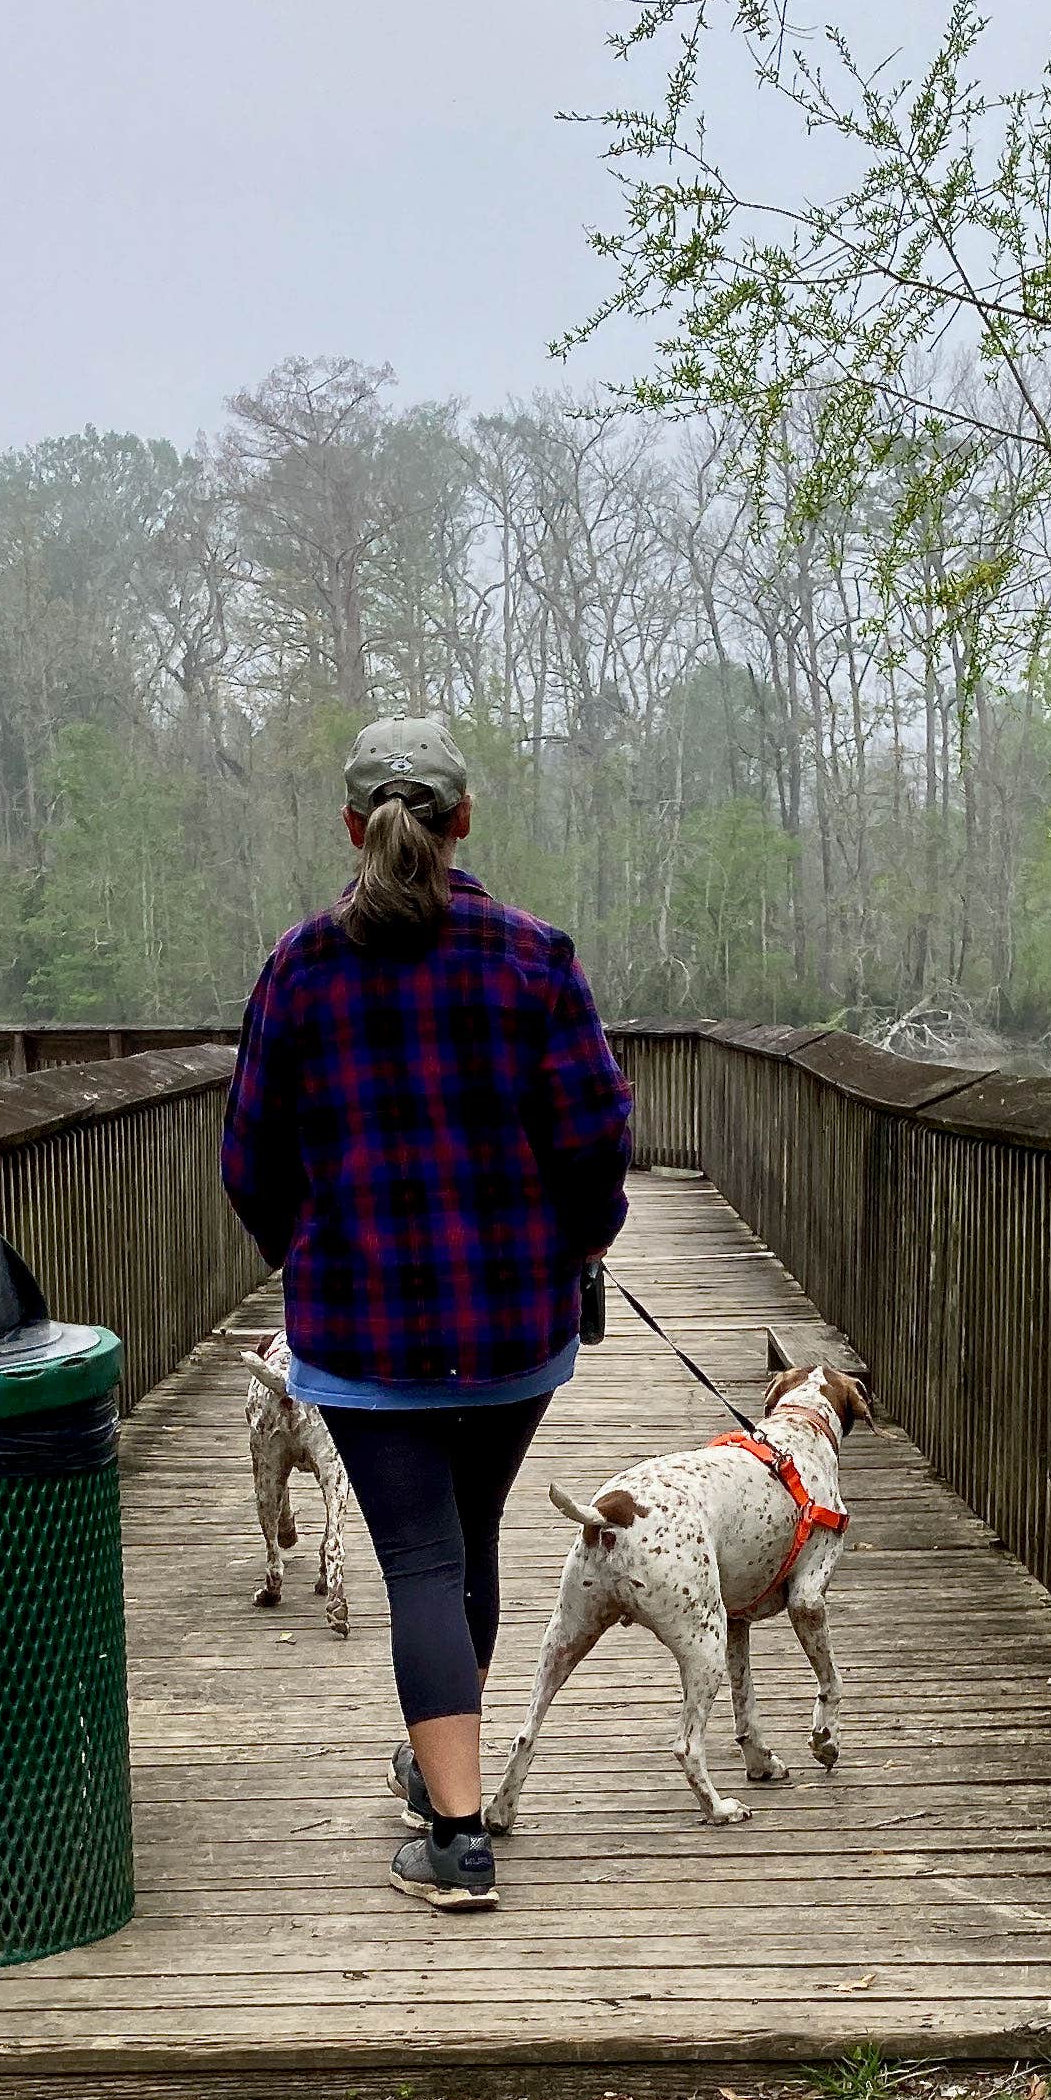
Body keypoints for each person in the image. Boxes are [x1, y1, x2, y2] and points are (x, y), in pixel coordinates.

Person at [221, 717, 632, 1911]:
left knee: (420, 1558)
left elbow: (249, 1156)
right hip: (510, 1327)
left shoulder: (301, 967)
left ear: (353, 828)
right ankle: (444, 1770)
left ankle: (455, 1835)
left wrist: (305, 1249)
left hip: (361, 1330)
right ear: (464, 821)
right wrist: (585, 1233)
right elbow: (597, 1132)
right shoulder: (532, 957)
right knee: (470, 1539)